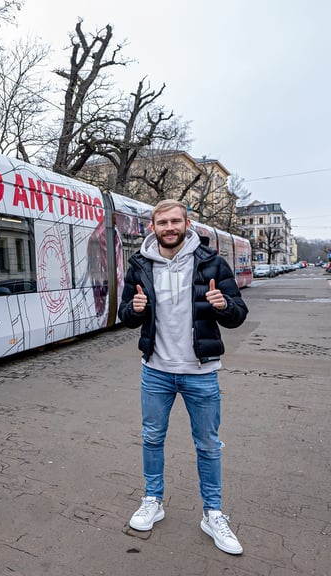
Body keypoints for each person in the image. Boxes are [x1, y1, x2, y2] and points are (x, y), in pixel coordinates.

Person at [117, 199, 248, 555]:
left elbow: (238, 315)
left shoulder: (211, 263)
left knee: (207, 444)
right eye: (163, 222)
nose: (169, 227)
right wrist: (134, 309)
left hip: (200, 372)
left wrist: (223, 306)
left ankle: (213, 514)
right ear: (152, 227)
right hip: (156, 370)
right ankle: (152, 501)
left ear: (187, 223)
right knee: (152, 438)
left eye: (175, 221)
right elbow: (125, 315)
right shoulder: (139, 266)